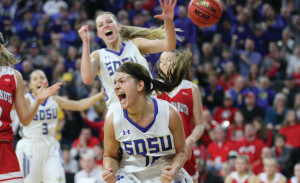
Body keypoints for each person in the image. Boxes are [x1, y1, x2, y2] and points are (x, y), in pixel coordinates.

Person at [78, 0, 177, 116]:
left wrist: (169, 21)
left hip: (149, 108)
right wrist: (85, 42)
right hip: (120, 113)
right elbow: (87, 79)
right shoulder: (98, 55)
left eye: (109, 21)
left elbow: (169, 45)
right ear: (99, 34)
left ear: (118, 27)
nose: (106, 25)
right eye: (101, 25)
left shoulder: (135, 45)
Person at [102, 60, 193, 183]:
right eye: (115, 82)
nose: (116, 87)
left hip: (164, 174)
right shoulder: (113, 119)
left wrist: (173, 169)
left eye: (122, 81)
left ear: (140, 85)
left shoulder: (169, 113)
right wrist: (109, 170)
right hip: (130, 176)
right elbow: (110, 156)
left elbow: (181, 151)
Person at [15, 70, 105, 183]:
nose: (39, 80)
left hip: (51, 145)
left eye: (42, 77)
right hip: (31, 146)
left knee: (58, 180)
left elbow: (79, 105)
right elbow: (8, 106)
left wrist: (101, 95)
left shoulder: (55, 100)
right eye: (35, 78)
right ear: (31, 85)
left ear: (46, 82)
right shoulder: (26, 100)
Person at [0, 32, 62, 182]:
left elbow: (25, 120)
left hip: (5, 148)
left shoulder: (14, 76)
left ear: (1, 48)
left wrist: (37, 101)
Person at [156, 49, 204, 182]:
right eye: (161, 61)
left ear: (179, 64)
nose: (164, 64)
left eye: (168, 60)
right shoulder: (154, 89)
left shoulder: (191, 88)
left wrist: (191, 139)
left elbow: (200, 125)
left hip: (184, 147)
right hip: (161, 149)